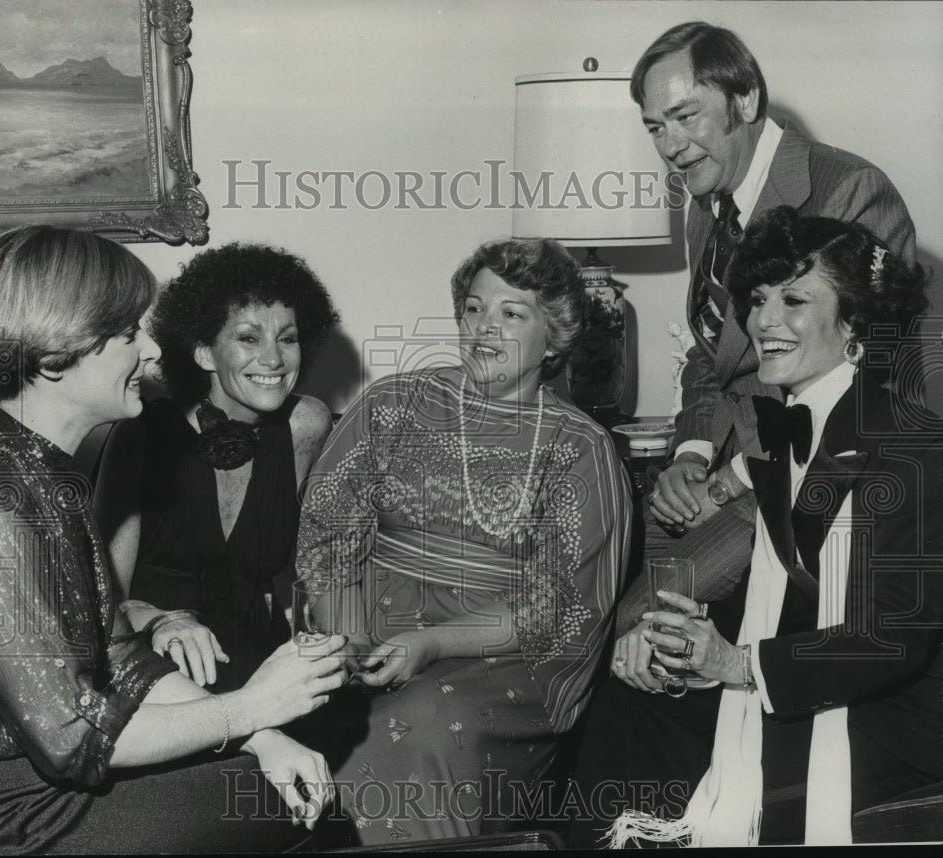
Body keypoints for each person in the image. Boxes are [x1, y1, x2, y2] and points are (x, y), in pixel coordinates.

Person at [570, 22, 919, 846]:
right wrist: (692, 454)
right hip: (729, 465)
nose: (670, 144)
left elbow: (872, 374)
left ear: (747, 99)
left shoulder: (846, 187)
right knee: (591, 592)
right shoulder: (708, 205)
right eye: (654, 126)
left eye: (686, 116)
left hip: (817, 471)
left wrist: (734, 480)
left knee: (637, 634)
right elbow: (708, 356)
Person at [0, 226, 348, 855]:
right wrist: (249, 708)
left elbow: (123, 657)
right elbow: (74, 740)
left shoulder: (42, 474)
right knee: (281, 806)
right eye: (129, 334)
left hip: (40, 784)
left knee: (283, 781)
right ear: (58, 352)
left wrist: (261, 734)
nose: (153, 351)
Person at [608, 207, 942, 846]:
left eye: (793, 300)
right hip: (814, 698)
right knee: (625, 716)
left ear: (855, 324)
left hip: (892, 727)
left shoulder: (913, 446)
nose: (763, 321)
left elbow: (891, 639)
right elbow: (793, 604)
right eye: (757, 299)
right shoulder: (782, 435)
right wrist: (697, 657)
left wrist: (736, 663)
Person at [294, 238, 631, 845]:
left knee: (420, 722)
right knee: (304, 711)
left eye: (512, 313)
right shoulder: (392, 405)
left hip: (501, 657)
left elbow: (556, 609)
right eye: (474, 309)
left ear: (554, 335)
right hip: (362, 632)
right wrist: (349, 643)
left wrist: (428, 643)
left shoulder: (580, 449)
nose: (485, 328)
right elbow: (328, 537)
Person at [94, 243, 340, 692]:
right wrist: (165, 620)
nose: (274, 359)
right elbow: (103, 600)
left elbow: (309, 564)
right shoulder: (141, 435)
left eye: (287, 338)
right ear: (204, 352)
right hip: (158, 670)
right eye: (249, 338)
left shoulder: (307, 424)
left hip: (263, 669)